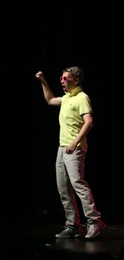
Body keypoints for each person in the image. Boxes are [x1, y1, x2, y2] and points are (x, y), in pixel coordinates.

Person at [35, 66, 106, 239]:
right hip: (62, 148)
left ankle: (95, 221)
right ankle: (73, 225)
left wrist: (75, 142)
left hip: (75, 148)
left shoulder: (82, 98)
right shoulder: (67, 98)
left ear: (76, 80)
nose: (62, 81)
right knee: (63, 188)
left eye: (66, 78)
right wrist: (43, 81)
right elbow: (50, 100)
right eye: (61, 78)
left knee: (78, 184)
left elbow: (89, 122)